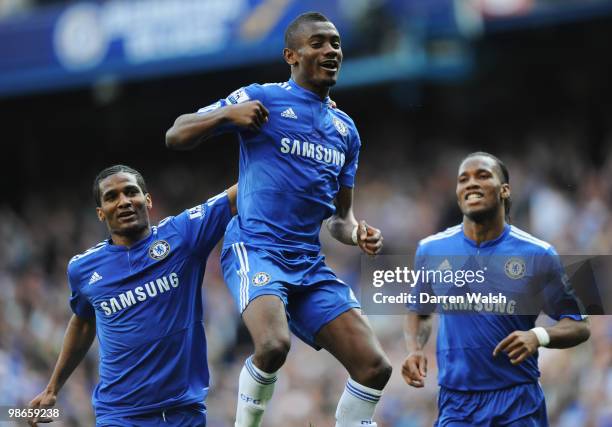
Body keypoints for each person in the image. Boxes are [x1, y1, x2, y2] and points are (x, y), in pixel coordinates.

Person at [166, 11, 391, 427]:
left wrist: (357, 232)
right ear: (291, 55)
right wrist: (225, 117)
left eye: (336, 43)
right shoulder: (262, 98)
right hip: (256, 247)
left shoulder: (345, 131)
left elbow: (340, 218)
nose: (331, 51)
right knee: (272, 345)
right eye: (319, 43)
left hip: (307, 262)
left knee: (375, 367)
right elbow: (176, 133)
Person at [28, 165, 237, 426]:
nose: (124, 201)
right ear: (100, 213)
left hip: (184, 412)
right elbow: (82, 321)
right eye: (112, 197)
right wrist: (52, 388)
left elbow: (238, 195)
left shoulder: (182, 236)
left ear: (147, 200)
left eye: (131, 192)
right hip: (119, 415)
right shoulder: (83, 269)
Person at [401, 152, 591, 426]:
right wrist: (414, 349)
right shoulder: (431, 249)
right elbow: (419, 310)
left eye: (483, 175)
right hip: (457, 405)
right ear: (457, 193)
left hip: (517, 403)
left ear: (504, 190)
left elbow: (578, 325)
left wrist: (538, 336)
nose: (471, 183)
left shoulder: (537, 254)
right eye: (463, 179)